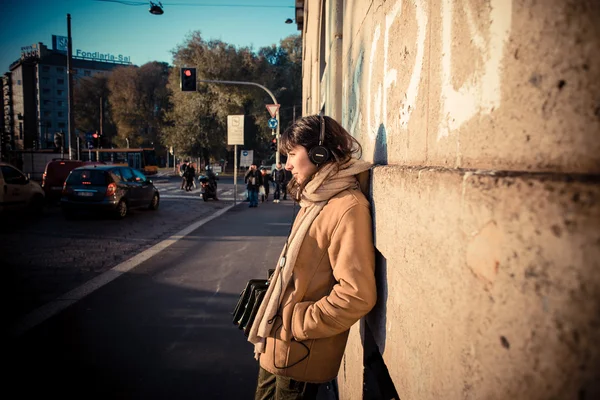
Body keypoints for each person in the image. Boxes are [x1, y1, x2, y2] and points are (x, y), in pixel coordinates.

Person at [248, 114, 376, 399]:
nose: (287, 165)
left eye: (293, 154)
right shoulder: (317, 197)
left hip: (298, 353)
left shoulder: (347, 207)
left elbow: (357, 294)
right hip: (276, 339)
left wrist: (296, 321)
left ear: (320, 153)